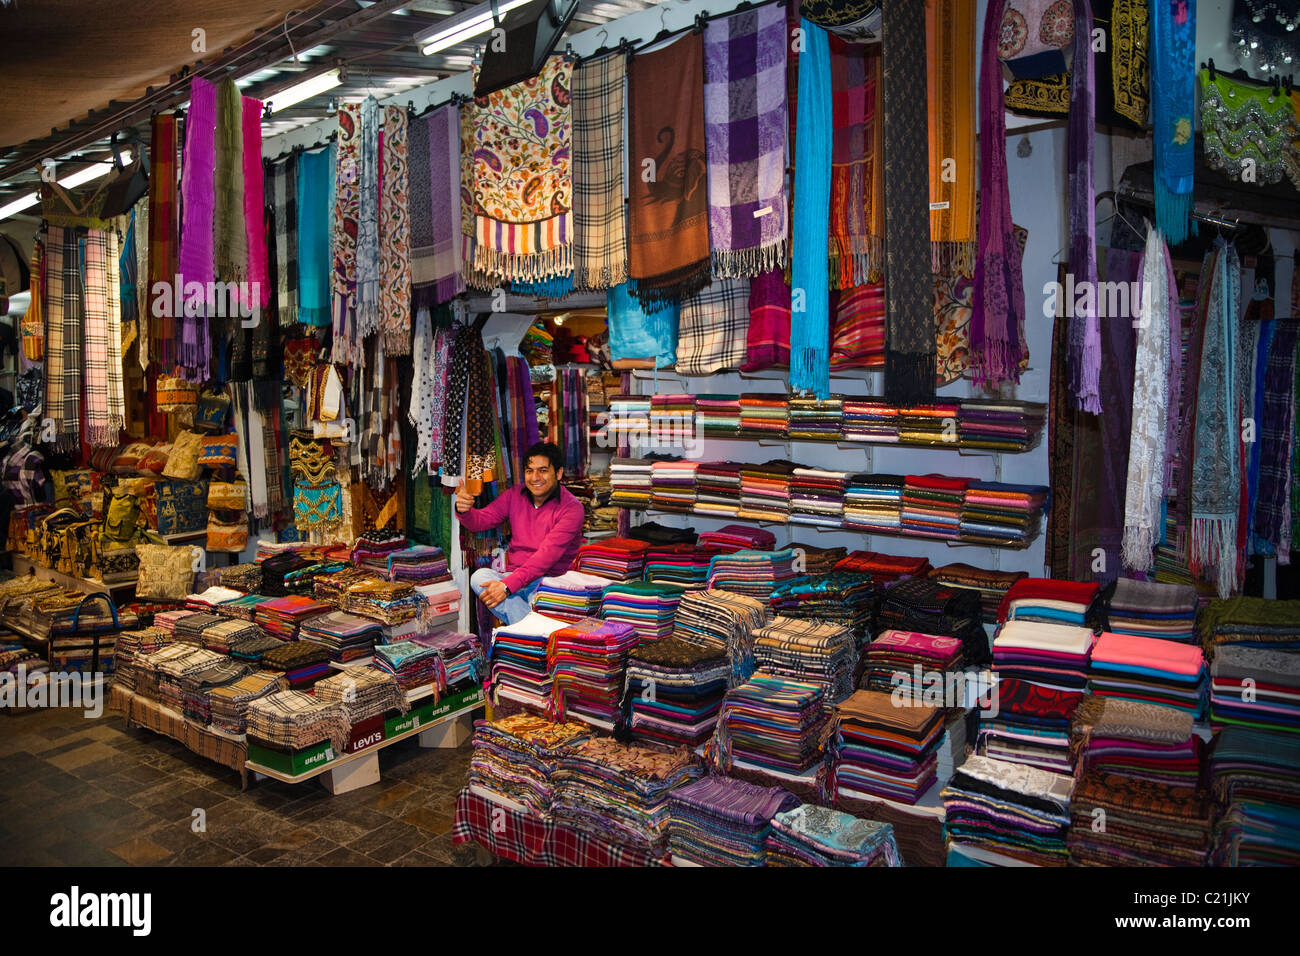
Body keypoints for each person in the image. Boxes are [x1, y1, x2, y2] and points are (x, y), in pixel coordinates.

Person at [455, 441, 585, 625]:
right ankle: (534, 630)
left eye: (543, 470)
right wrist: (464, 510)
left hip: (548, 583)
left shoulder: (572, 509)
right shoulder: (515, 495)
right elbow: (481, 521)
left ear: (558, 473)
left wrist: (507, 587)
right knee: (479, 578)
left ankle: (528, 633)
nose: (535, 477)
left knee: (531, 597)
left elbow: (544, 558)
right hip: (515, 575)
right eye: (529, 470)